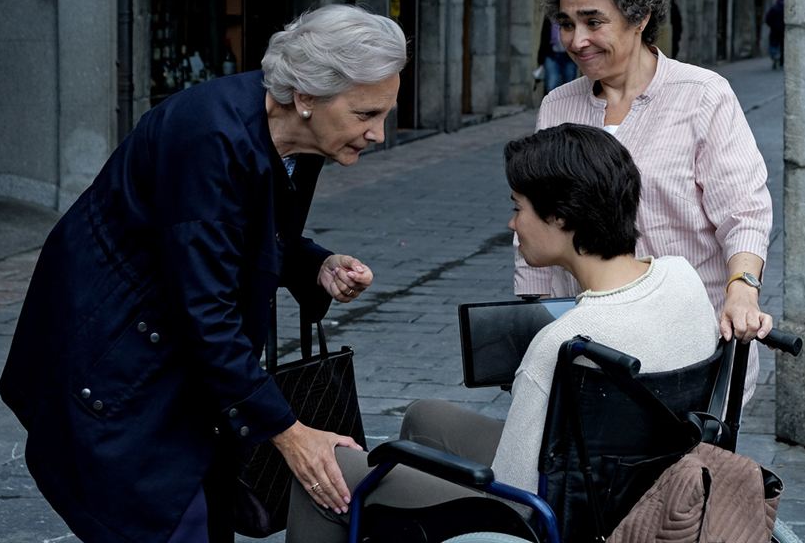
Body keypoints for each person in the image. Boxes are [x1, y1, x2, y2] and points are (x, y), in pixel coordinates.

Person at [0, 4, 407, 542]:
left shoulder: (297, 137)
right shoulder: (208, 139)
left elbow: (251, 237)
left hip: (180, 365)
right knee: (168, 522)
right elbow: (203, 307)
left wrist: (316, 265)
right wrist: (290, 434)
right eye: (365, 115)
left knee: (206, 514)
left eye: (384, 113)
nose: (378, 133)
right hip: (116, 366)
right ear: (306, 97)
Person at [284, 123, 720, 542]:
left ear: (562, 217)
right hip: (629, 483)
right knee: (424, 415)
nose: (512, 225)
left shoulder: (562, 344)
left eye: (518, 207)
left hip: (540, 516)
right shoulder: (683, 277)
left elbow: (514, 490)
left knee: (324, 475)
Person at [517, 0, 774, 400]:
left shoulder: (702, 96)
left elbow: (746, 213)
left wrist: (743, 289)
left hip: (687, 344)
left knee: (676, 470)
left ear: (639, 17)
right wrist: (532, 322)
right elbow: (536, 225)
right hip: (587, 345)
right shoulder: (558, 106)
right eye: (566, 23)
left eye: (594, 22)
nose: (577, 40)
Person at [537, 15, 578, 93]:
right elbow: (544, 37)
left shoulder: (572, 15)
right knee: (551, 85)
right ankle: (551, 104)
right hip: (552, 55)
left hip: (569, 56)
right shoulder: (549, 17)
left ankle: (567, 105)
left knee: (569, 85)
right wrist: (540, 60)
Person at [765, 0, 785, 69]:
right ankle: (781, 61)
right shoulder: (785, 9)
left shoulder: (773, 8)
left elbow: (767, 19)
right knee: (783, 46)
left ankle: (775, 58)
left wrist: (772, 25)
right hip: (783, 31)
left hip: (774, 31)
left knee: (774, 45)